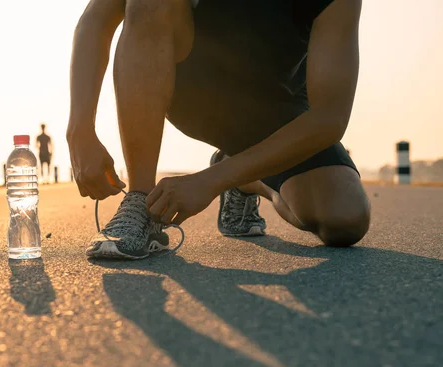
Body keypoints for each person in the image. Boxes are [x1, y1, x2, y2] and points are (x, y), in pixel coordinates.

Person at [67, 0, 370, 260]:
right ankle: (140, 202)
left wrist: (213, 181)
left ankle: (247, 179)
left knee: (345, 217)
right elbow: (96, 18)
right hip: (191, 90)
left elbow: (329, 117)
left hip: (274, 111)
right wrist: (79, 130)